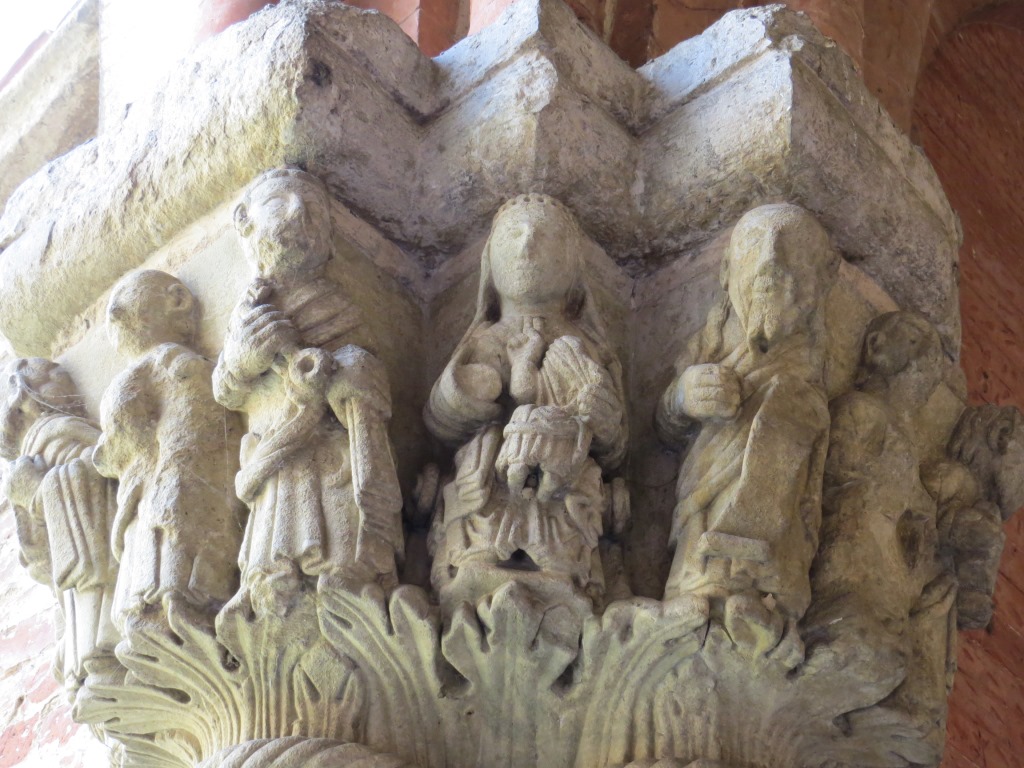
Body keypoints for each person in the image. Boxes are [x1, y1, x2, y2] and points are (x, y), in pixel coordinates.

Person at [425, 193, 627, 607]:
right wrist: (466, 394)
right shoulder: (484, 340)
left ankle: (565, 567)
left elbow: (614, 444)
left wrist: (601, 415)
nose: (528, 245)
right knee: (481, 479)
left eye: (546, 237)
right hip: (492, 467)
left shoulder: (587, 347)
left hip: (562, 469)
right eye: (513, 235)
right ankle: (473, 559)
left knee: (568, 495)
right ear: (490, 261)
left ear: (573, 264)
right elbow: (439, 420)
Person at [214, 167, 403, 608]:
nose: (299, 213)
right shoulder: (246, 313)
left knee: (336, 547)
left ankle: (349, 583)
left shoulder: (335, 303)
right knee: (273, 556)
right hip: (275, 458)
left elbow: (369, 374)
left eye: (316, 210)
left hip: (331, 461)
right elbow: (225, 390)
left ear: (331, 242)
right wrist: (244, 360)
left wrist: (338, 375)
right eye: (280, 203)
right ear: (244, 221)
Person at [656, 203, 839, 644]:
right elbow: (665, 423)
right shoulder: (708, 344)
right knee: (702, 572)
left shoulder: (813, 364)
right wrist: (682, 397)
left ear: (824, 278)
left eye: (793, 248)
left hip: (775, 509)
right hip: (703, 504)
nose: (771, 259)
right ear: (726, 271)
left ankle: (763, 608)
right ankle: (699, 602)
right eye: (755, 244)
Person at [94, 270, 245, 627]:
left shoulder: (161, 364)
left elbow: (124, 431)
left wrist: (105, 454)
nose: (114, 316)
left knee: (169, 584)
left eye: (124, 302)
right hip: (181, 488)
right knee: (174, 577)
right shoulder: (172, 363)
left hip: (175, 489)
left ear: (179, 298)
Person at [0, 358, 120, 699]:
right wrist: (34, 498)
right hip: (85, 574)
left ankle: (98, 659)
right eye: (53, 378)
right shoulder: (50, 436)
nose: (64, 382)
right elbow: (39, 555)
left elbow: (105, 472)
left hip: (97, 564)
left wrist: (36, 494)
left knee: (98, 634)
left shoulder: (60, 433)